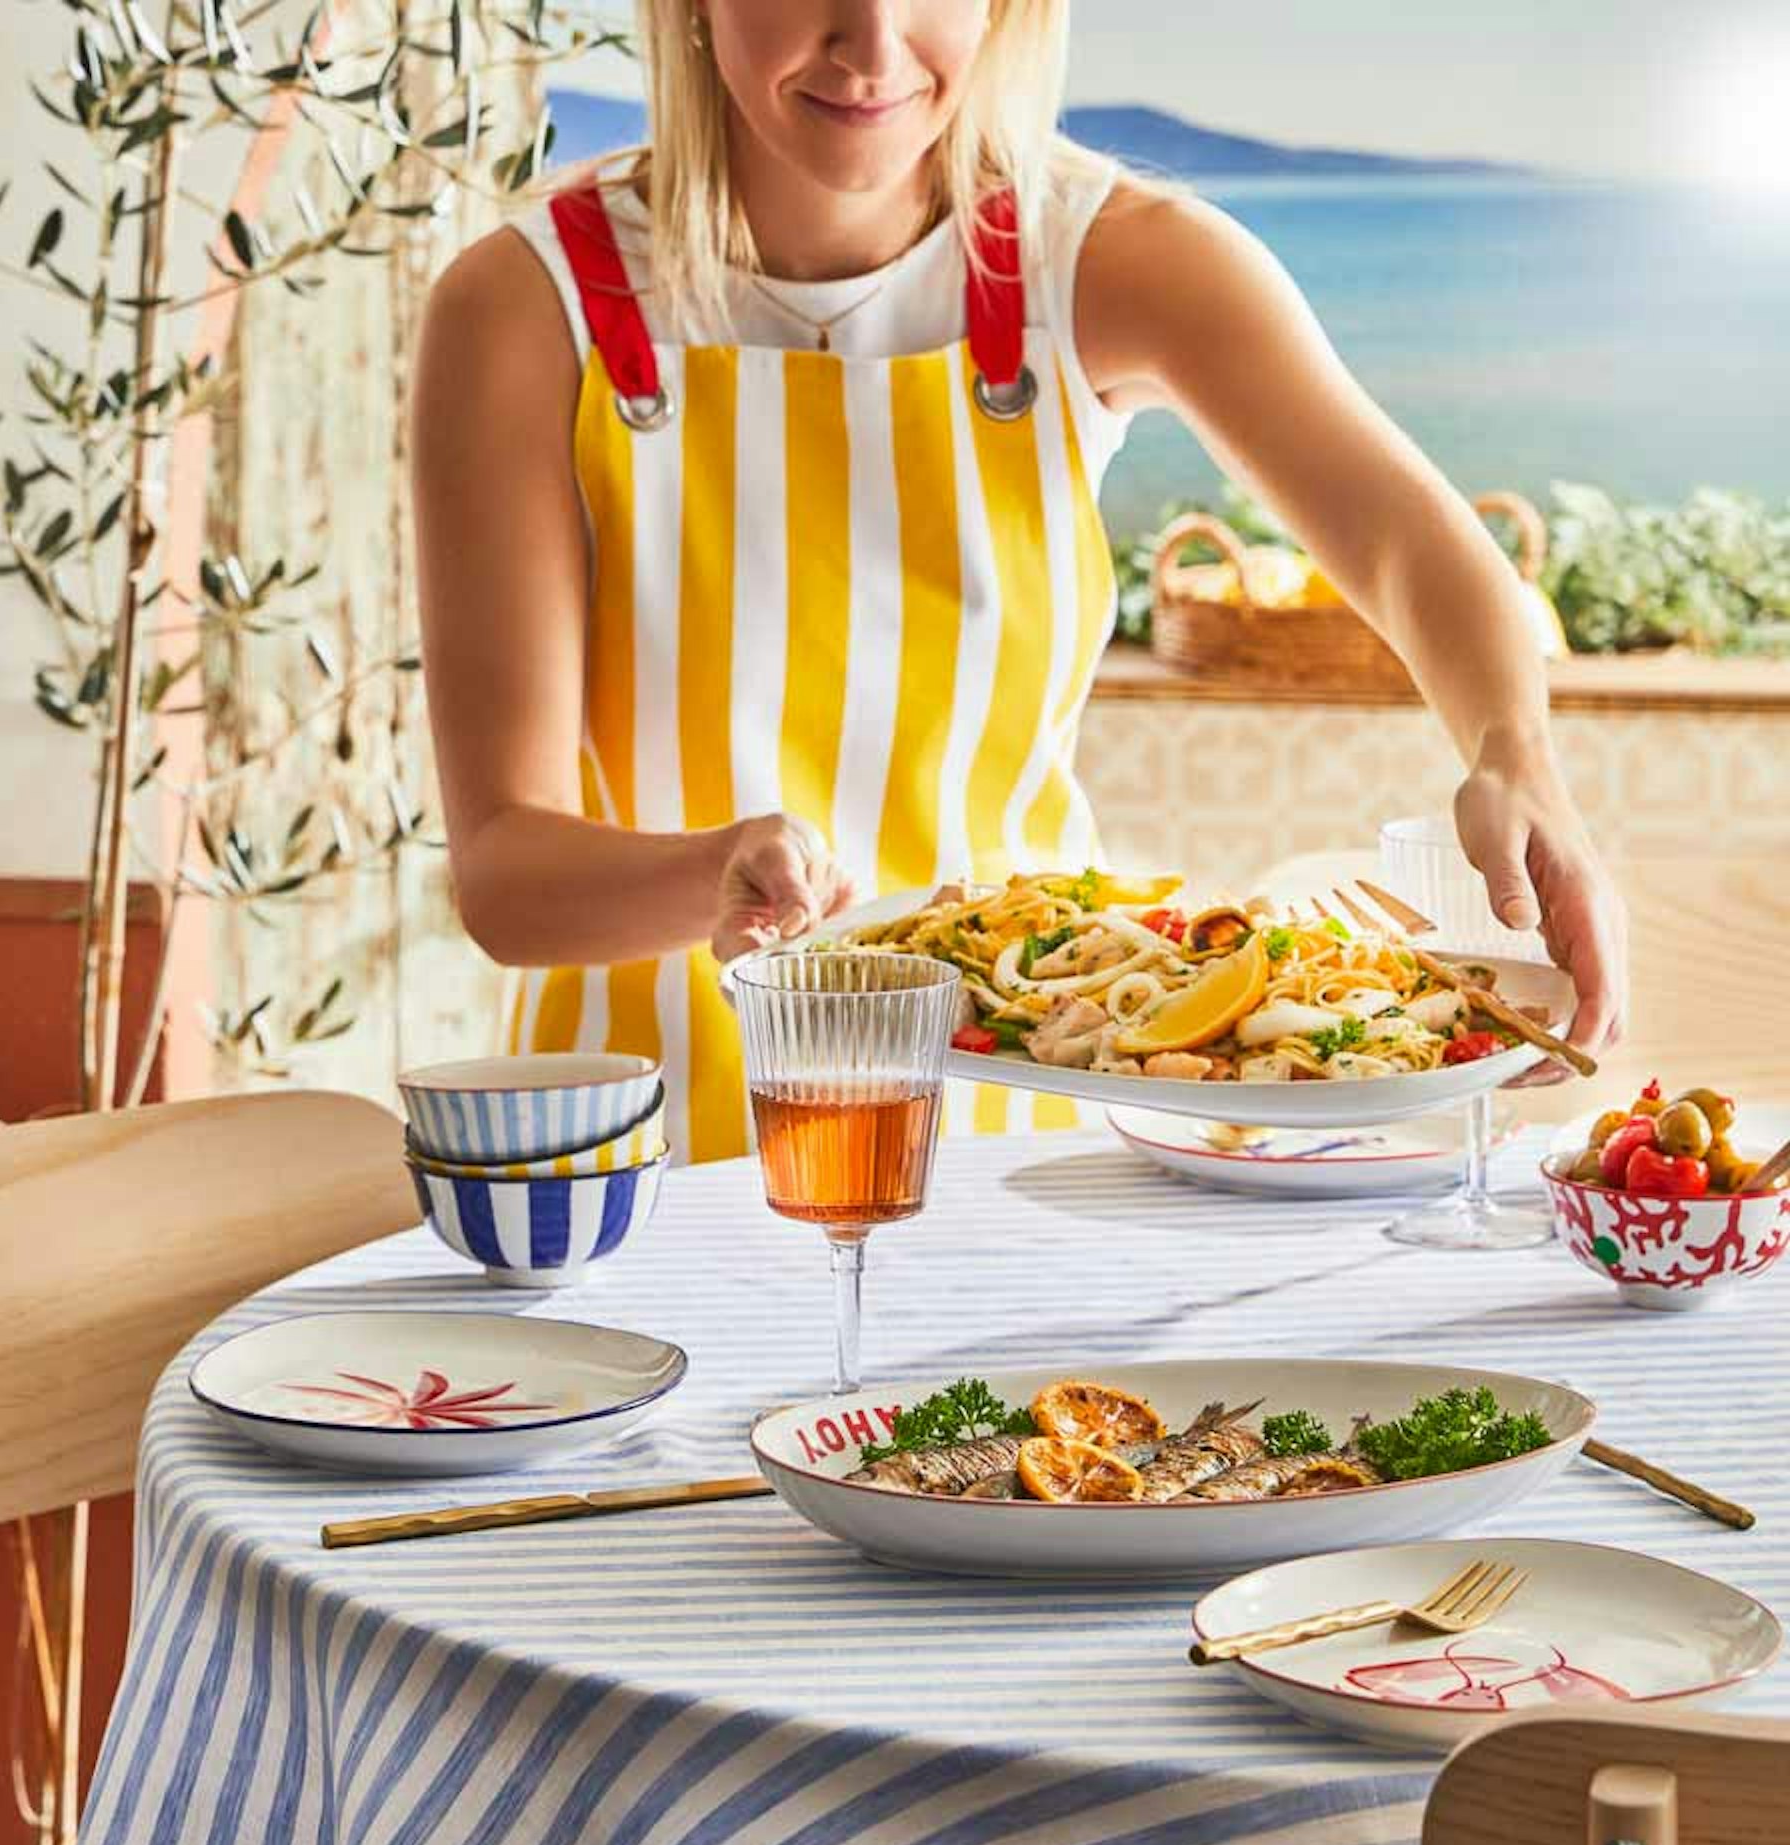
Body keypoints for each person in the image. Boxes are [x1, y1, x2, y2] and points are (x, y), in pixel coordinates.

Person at [411, 0, 1627, 1164]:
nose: (870, 42)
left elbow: (1411, 548)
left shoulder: (1111, 259)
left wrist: (1517, 761)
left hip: (1023, 1143)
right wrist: (716, 871)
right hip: (648, 1153)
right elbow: (508, 883)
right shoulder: (525, 306)